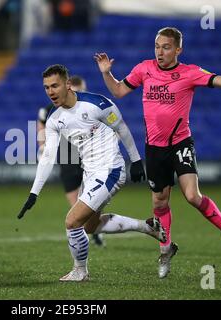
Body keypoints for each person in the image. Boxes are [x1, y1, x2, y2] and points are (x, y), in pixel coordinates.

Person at [94, 27, 221, 278]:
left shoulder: (189, 73)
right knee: (159, 201)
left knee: (192, 196)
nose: (160, 51)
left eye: (166, 47)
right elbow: (119, 91)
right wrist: (107, 73)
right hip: (154, 148)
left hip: (180, 143)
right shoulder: (144, 69)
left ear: (178, 50)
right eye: (157, 46)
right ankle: (165, 250)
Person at [18, 64, 166, 282]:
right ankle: (148, 227)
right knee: (90, 226)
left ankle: (80, 271)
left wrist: (135, 160)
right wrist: (33, 193)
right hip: (90, 173)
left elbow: (122, 128)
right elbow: (48, 156)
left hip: (110, 171)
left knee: (72, 221)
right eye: (46, 87)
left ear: (68, 84)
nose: (50, 91)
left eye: (55, 86)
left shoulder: (97, 103)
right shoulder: (54, 118)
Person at [37, 75, 104, 247]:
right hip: (67, 155)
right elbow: (42, 121)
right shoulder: (54, 108)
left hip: (90, 155)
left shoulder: (91, 107)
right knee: (75, 201)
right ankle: (88, 231)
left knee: (91, 197)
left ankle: (91, 229)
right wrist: (43, 144)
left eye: (81, 90)